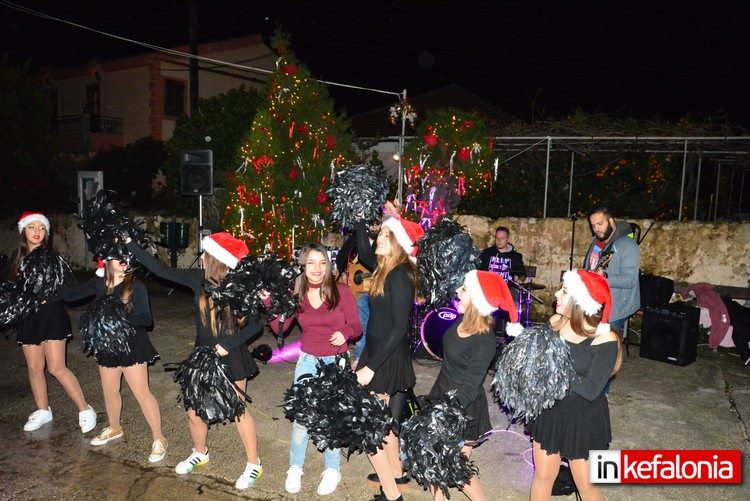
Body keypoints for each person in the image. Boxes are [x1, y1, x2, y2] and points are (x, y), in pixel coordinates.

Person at [126, 232, 264, 490]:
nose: (201, 258)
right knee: (193, 409)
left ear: (215, 259)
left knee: (238, 409)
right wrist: (129, 244)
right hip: (202, 354)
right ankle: (200, 452)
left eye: (205, 255)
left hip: (232, 355)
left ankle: (254, 463)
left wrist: (228, 344)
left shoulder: (240, 284)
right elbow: (160, 269)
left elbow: (256, 325)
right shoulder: (197, 278)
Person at [270, 243, 362, 496]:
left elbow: (356, 326)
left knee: (331, 418)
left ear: (328, 265)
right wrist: (270, 302)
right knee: (302, 419)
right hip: (307, 361)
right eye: (311, 262)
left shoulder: (340, 290)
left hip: (336, 362)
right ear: (303, 265)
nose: (317, 268)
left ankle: (333, 469)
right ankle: (295, 467)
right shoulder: (297, 293)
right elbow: (279, 327)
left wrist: (345, 332)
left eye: (322, 262)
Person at [60, 256, 166, 462]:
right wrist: (55, 274)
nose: (123, 259)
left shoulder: (136, 286)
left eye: (125, 255)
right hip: (107, 347)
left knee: (142, 393)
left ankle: (159, 438)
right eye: (117, 256)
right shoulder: (99, 282)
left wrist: (118, 312)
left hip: (132, 346)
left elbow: (147, 320)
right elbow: (70, 296)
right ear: (107, 260)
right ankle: (115, 427)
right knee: (109, 390)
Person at [527, 270, 622, 501]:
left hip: (583, 419)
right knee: (542, 478)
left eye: (565, 291)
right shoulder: (554, 323)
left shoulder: (604, 338)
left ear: (581, 300)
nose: (556, 294)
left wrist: (555, 368)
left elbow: (590, 390)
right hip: (550, 412)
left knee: (587, 488)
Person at [427, 270, 522, 501]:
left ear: (478, 300)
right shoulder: (461, 319)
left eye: (464, 289)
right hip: (442, 391)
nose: (458, 291)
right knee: (437, 461)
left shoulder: (484, 339)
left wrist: (449, 411)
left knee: (456, 466)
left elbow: (471, 384)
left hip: (463, 405)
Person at [1, 212, 96, 433]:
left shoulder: (52, 257)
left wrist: (98, 280)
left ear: (46, 233)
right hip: (28, 318)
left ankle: (85, 409)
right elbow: (7, 287)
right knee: (35, 368)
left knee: (56, 367)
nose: (37, 232)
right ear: (23, 231)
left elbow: (70, 291)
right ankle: (43, 410)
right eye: (31, 227)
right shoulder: (16, 257)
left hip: (52, 315)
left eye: (41, 228)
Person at [355, 214, 424, 501]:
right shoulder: (386, 268)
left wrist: (371, 367)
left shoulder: (399, 275)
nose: (379, 239)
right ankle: (396, 474)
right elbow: (365, 251)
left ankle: (393, 494)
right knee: (384, 424)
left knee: (372, 429)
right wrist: (359, 219)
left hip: (386, 359)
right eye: (380, 234)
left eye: (386, 236)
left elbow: (398, 328)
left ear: (398, 243)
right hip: (377, 353)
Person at [583, 207, 640, 333]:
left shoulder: (628, 245)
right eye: (593, 226)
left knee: (607, 343)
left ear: (611, 222)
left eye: (600, 223)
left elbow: (630, 280)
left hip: (615, 308)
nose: (596, 229)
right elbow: (589, 268)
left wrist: (605, 277)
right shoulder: (596, 242)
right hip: (595, 304)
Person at [335, 219, 379, 365]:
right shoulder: (356, 238)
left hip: (378, 289)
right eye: (372, 224)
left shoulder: (384, 239)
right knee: (362, 323)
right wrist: (343, 274)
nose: (374, 227)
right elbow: (341, 258)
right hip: (358, 290)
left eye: (377, 224)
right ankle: (360, 357)